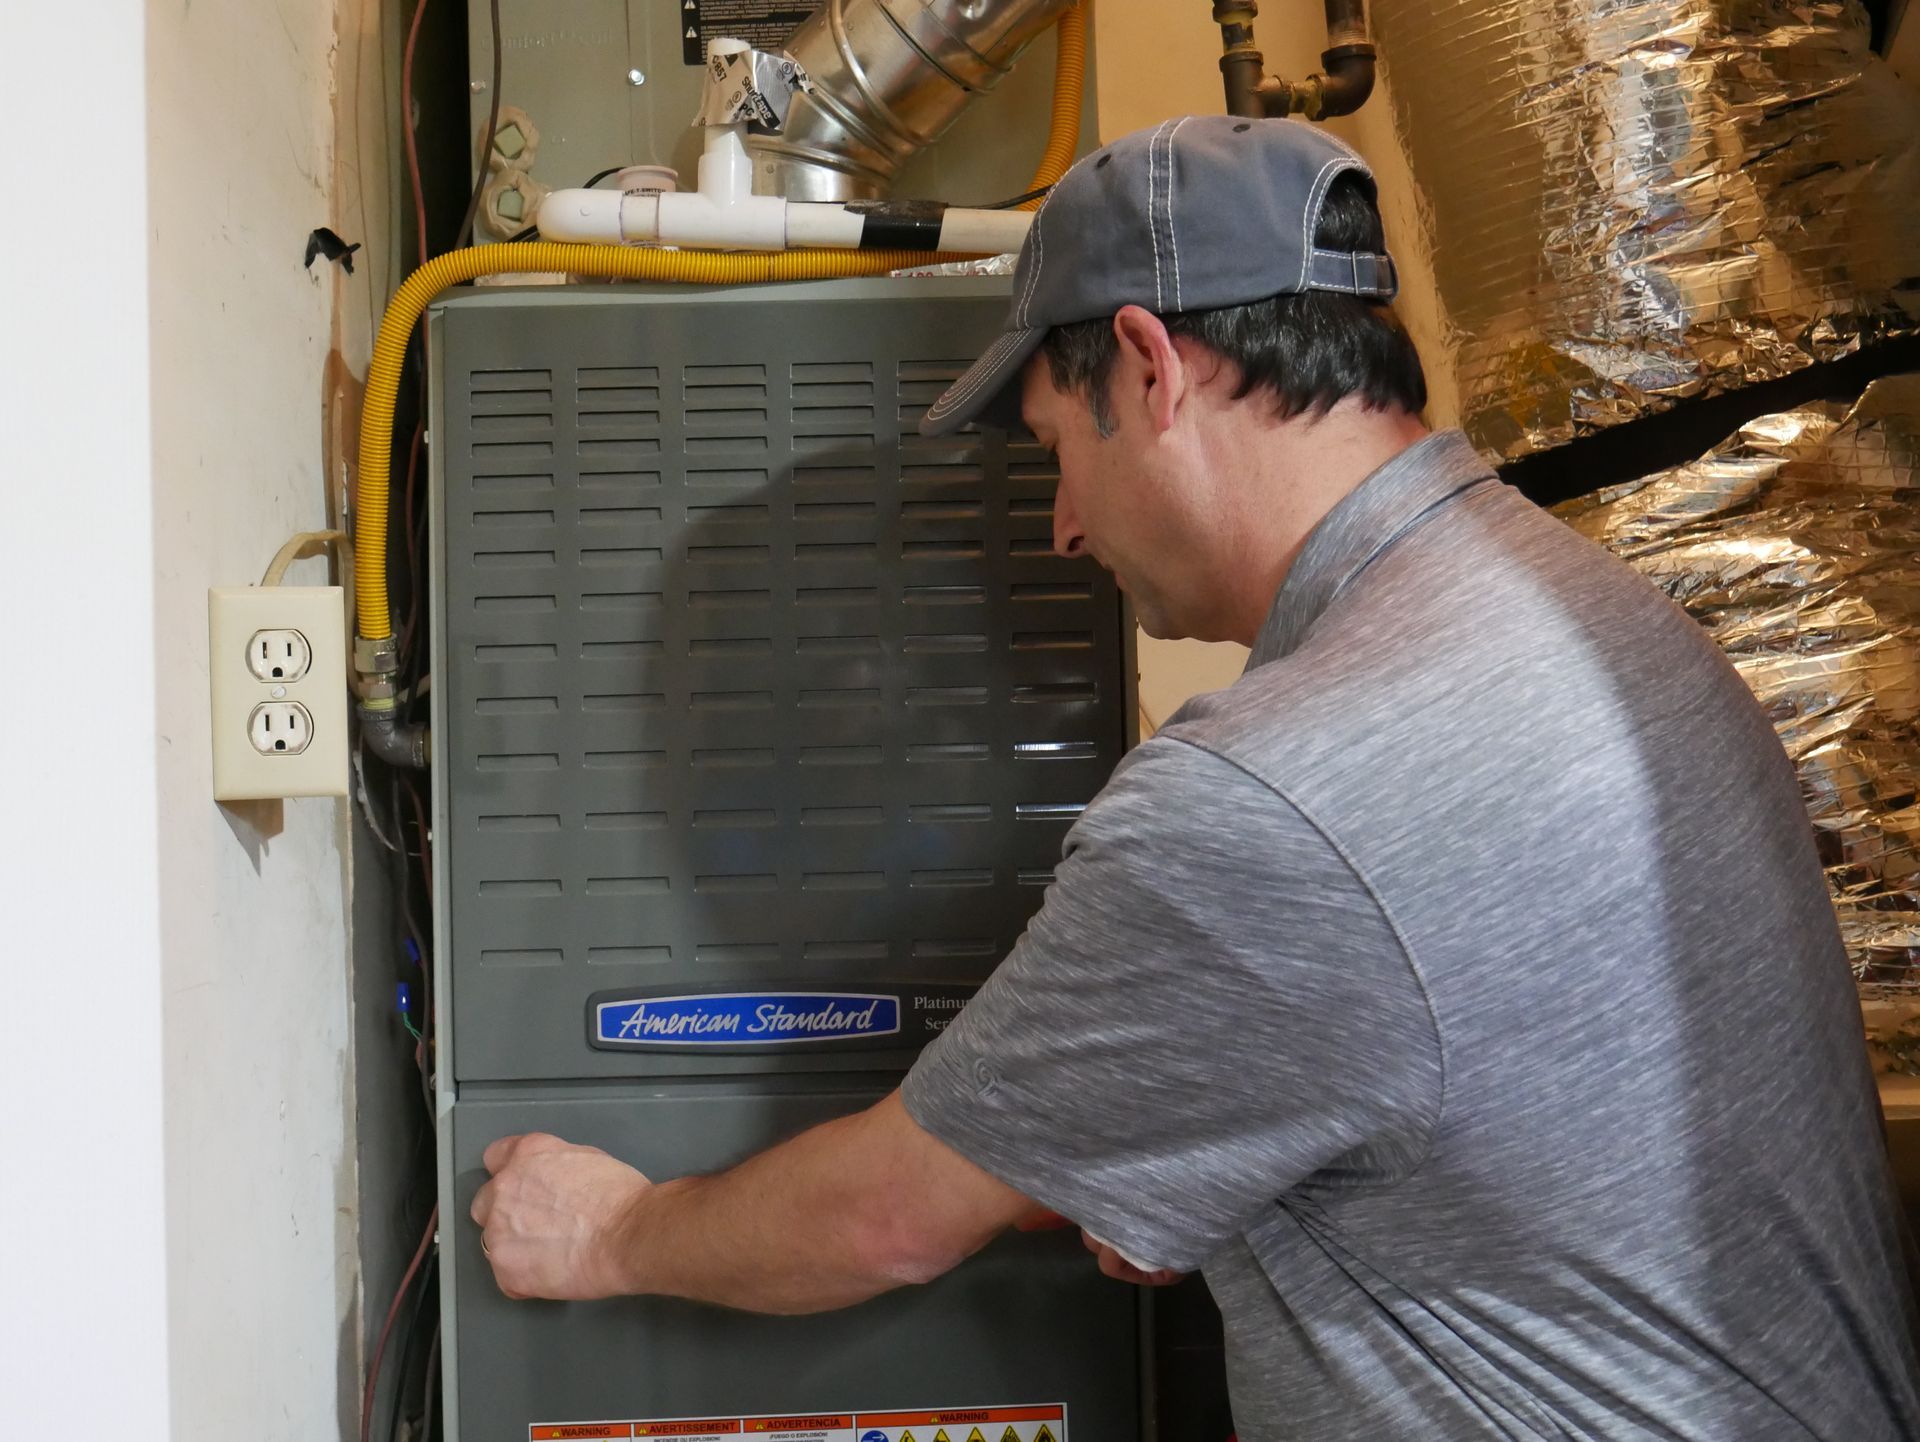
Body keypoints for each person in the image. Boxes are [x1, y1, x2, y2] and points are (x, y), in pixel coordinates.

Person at [470, 115, 1920, 1438]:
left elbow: (888, 1220)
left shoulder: (1276, 793)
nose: (1058, 527)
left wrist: (613, 1231)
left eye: (1053, 447)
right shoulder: (1606, 625)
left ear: (1154, 371)